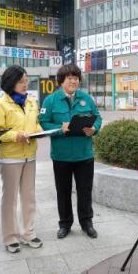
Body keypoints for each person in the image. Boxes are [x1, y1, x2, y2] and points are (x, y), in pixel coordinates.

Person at [39, 64, 102, 239]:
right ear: (61, 81)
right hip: (62, 156)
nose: (73, 81)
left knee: (85, 191)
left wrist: (94, 129)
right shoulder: (50, 101)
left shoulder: (86, 98)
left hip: (84, 155)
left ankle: (87, 223)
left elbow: (97, 118)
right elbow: (43, 123)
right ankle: (65, 224)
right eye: (70, 78)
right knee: (63, 192)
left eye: (76, 78)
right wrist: (60, 128)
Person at [0, 65, 43, 253]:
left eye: (26, 81)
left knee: (29, 196)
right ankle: (10, 237)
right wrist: (15, 135)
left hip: (30, 155)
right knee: (10, 199)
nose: (25, 84)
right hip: (10, 158)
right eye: (21, 81)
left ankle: (28, 233)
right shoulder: (0, 105)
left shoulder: (31, 102)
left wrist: (39, 131)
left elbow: (35, 123)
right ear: (11, 82)